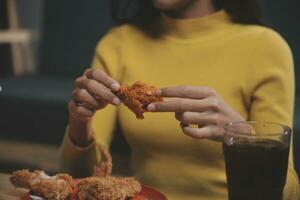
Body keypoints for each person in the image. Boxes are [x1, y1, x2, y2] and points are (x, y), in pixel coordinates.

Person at [60, 0, 300, 199]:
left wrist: (242, 138)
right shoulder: (118, 43)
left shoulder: (267, 48)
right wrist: (80, 121)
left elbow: (288, 192)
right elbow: (77, 182)